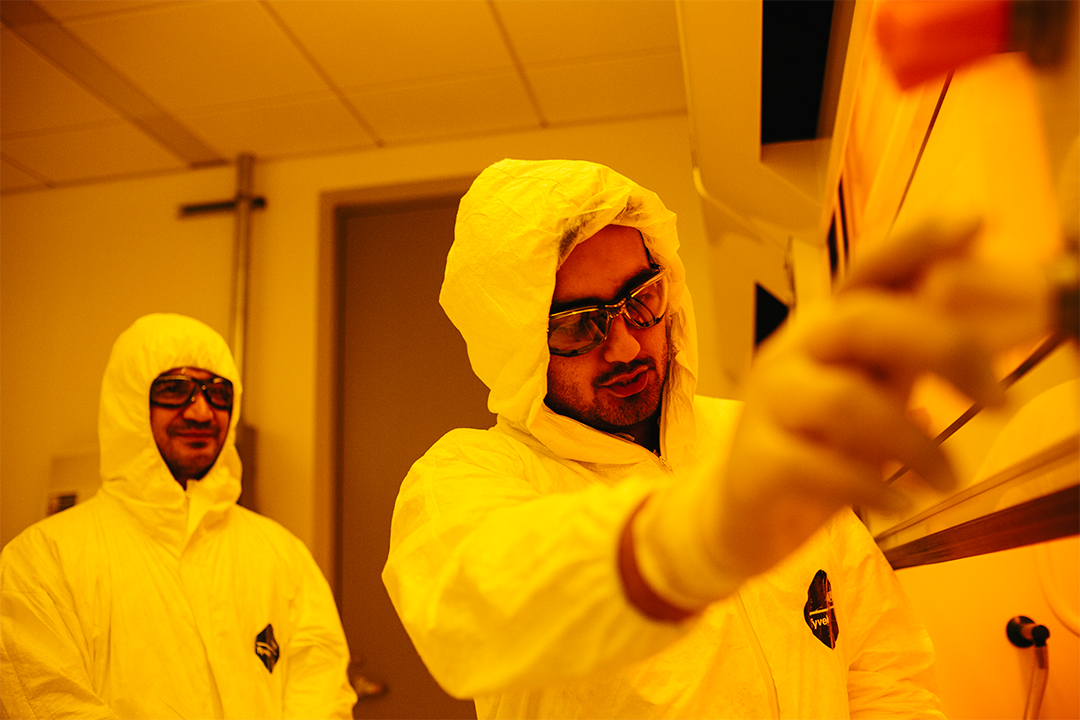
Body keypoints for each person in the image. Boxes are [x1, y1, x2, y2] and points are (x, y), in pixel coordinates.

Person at [382, 158, 1048, 718]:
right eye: (577, 325)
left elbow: (883, 671)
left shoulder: (753, 441)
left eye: (639, 300)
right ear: (517, 347)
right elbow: (475, 611)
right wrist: (697, 534)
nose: (622, 346)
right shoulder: (468, 479)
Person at [0, 313, 357, 719]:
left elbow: (322, 693)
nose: (202, 411)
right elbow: (47, 703)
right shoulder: (42, 563)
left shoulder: (282, 556)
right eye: (175, 390)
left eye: (218, 393)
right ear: (129, 404)